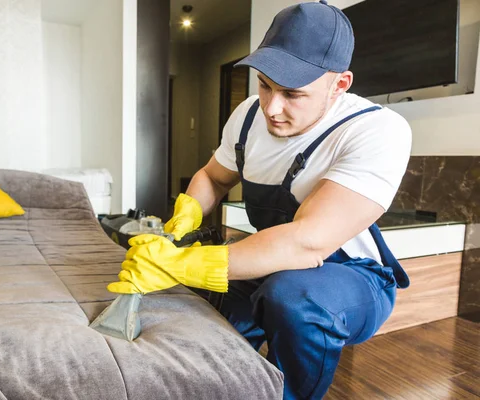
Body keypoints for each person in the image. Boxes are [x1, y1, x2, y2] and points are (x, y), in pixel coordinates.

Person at [108, 1, 412, 398]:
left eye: (292, 93)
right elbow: (212, 178)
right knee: (197, 305)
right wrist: (181, 221)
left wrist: (184, 265)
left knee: (291, 297)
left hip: (350, 275)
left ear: (339, 84)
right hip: (273, 261)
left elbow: (309, 240)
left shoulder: (376, 130)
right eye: (264, 84)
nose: (272, 107)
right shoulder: (248, 115)